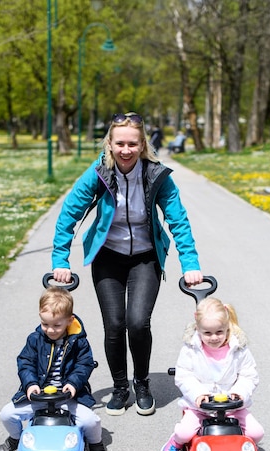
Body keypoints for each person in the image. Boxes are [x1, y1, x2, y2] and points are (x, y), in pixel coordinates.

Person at [52, 112, 203, 417]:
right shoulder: (98, 173)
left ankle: (143, 383)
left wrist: (191, 264)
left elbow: (178, 220)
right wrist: (60, 259)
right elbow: (69, 213)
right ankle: (120, 388)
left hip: (145, 257)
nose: (125, 150)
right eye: (119, 143)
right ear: (109, 143)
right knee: (114, 326)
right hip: (108, 256)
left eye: (132, 144)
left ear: (142, 144)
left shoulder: (157, 175)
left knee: (137, 322)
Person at [0, 286, 107, 451]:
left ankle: (96, 446)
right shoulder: (34, 339)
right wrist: (30, 384)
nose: (50, 330)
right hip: (39, 394)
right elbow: (25, 362)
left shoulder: (79, 342)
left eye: (57, 325)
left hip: (67, 395)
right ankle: (15, 439)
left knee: (90, 420)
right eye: (45, 324)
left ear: (69, 321)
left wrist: (73, 384)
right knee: (7, 414)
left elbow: (84, 365)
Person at [161, 297, 264, 451]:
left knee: (256, 432)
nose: (214, 337)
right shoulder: (191, 349)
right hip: (200, 408)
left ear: (227, 327)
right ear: (198, 328)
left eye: (219, 332)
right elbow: (184, 375)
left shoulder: (238, 349)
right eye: (207, 333)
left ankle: (249, 449)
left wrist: (239, 393)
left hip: (233, 408)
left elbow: (249, 375)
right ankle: (176, 442)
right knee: (185, 432)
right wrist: (198, 394)